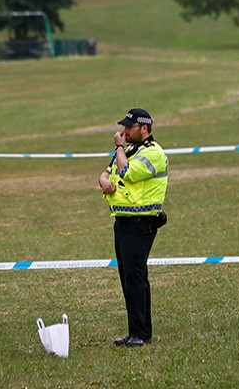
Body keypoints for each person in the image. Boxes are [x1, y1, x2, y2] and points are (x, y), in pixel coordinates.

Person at [98, 108, 169, 347]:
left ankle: (141, 333)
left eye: (130, 127)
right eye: (125, 126)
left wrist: (118, 148)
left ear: (145, 129)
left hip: (142, 223)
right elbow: (107, 172)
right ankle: (135, 331)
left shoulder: (154, 153)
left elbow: (127, 172)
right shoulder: (129, 150)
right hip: (123, 222)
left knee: (136, 278)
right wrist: (104, 182)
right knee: (128, 278)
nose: (125, 131)